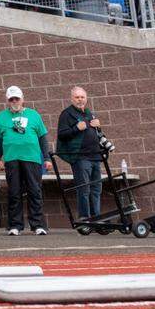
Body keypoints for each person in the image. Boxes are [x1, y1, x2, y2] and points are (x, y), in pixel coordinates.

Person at [0, 86, 51, 236]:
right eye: (11, 99)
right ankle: (15, 226)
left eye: (17, 98)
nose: (14, 101)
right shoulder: (1, 117)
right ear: (7, 100)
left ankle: (38, 225)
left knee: (35, 191)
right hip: (11, 159)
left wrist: (47, 158)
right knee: (14, 192)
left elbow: (43, 138)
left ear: (22, 99)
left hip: (32, 158)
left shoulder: (34, 115)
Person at [56, 87, 105, 223]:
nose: (80, 100)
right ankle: (85, 218)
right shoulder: (66, 114)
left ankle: (96, 217)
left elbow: (97, 135)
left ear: (86, 98)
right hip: (81, 157)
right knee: (84, 188)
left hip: (95, 156)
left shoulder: (89, 113)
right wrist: (76, 128)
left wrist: (98, 127)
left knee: (96, 189)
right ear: (72, 99)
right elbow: (62, 134)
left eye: (82, 97)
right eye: (77, 97)